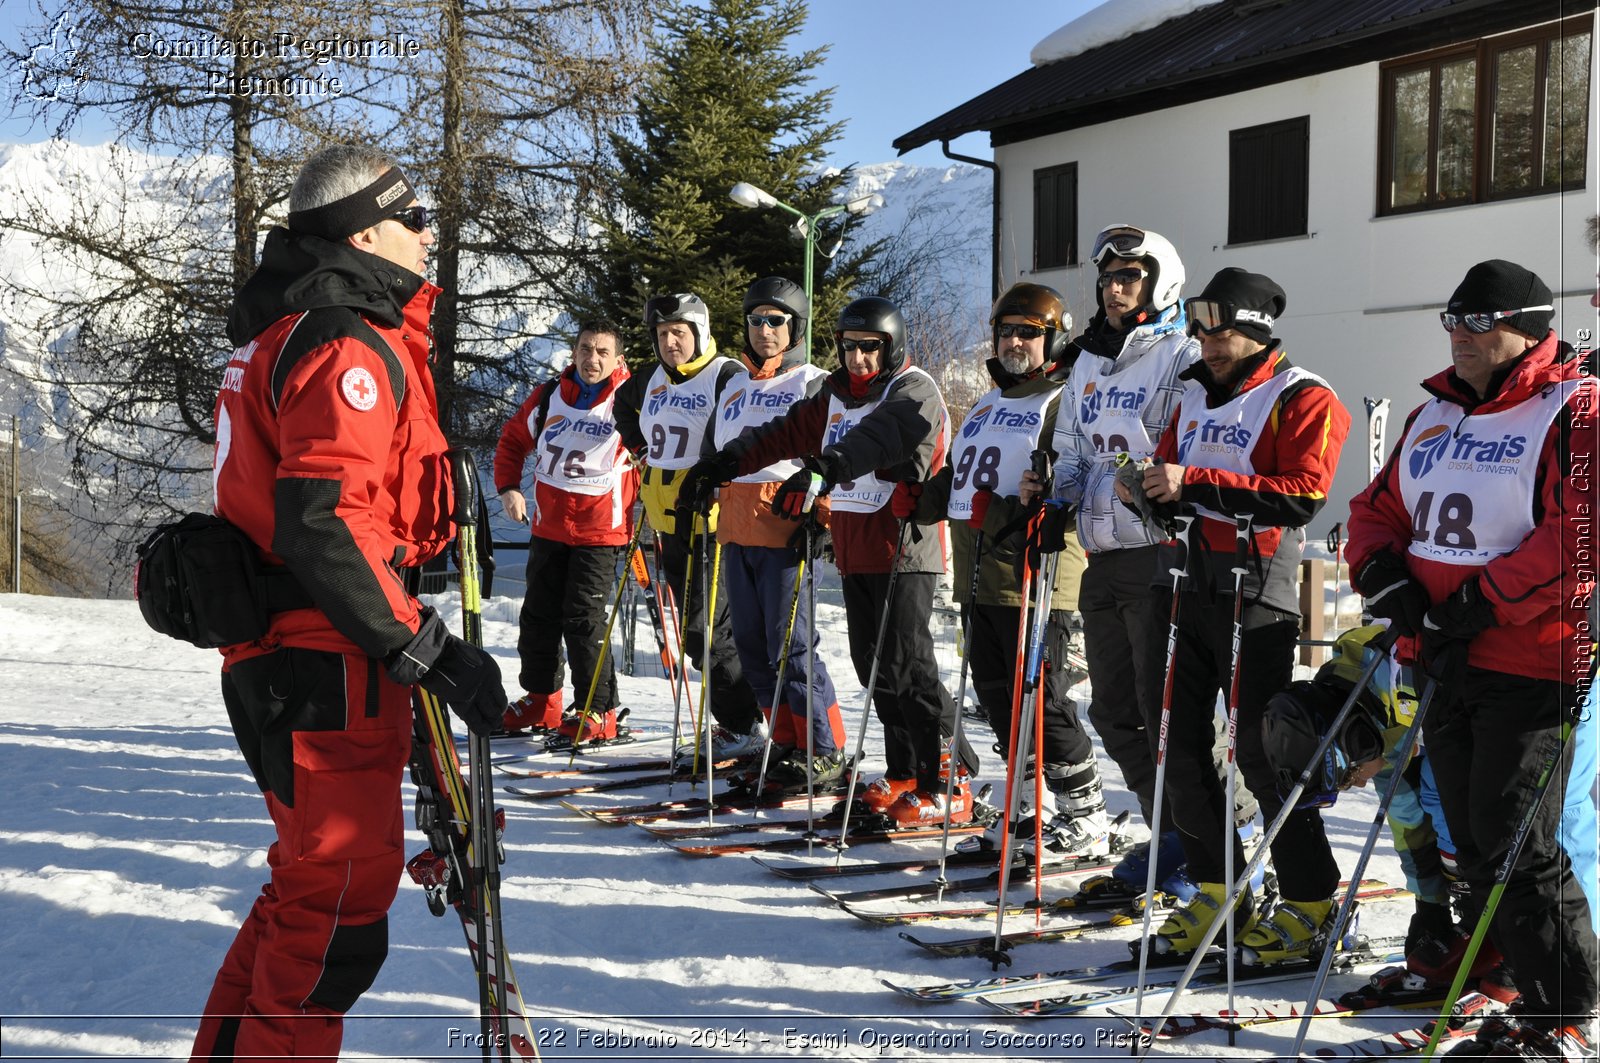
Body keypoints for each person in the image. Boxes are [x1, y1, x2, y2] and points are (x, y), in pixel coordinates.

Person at [194, 145, 506, 1061]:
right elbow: (325, 522)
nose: (427, 239)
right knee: (333, 922)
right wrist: (429, 650)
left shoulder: (301, 327)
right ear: (365, 232)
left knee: (304, 899)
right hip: (323, 661)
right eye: (415, 222)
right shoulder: (341, 341)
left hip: (303, 657)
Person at [1347, 259, 1596, 1058]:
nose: (1460, 334)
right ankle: (1523, 995)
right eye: (1452, 320)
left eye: (1479, 321)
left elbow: (1578, 534)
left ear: (1528, 325)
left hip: (1532, 657)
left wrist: (1481, 599)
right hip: (1442, 654)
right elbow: (1374, 508)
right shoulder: (1430, 416)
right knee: (1475, 846)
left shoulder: (1574, 406)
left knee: (1517, 841)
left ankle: (1566, 1015)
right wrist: (1383, 572)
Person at [1121, 267, 1352, 959]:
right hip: (1187, 577)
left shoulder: (1301, 394)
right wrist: (1152, 491)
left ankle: (1312, 900)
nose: (1205, 342)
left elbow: (1303, 493)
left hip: (1259, 582)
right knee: (1178, 744)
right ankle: (1220, 888)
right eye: (1200, 328)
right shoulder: (1193, 390)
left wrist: (1195, 483)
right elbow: (1167, 471)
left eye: (1218, 330)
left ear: (1253, 328)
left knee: (1260, 745)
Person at [679, 296, 980, 825]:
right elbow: (782, 433)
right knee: (874, 666)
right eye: (849, 348)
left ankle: (946, 776)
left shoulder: (913, 389)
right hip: (855, 544)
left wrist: (825, 467)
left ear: (891, 347)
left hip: (904, 546)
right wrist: (723, 462)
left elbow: (880, 440)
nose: (859, 359)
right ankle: (907, 772)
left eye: (870, 348)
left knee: (908, 665)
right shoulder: (835, 394)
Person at [1019, 224, 1253, 900]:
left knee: (1171, 716)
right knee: (1117, 712)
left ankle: (1225, 842)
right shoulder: (1090, 360)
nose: (1116, 289)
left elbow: (1195, 445)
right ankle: (1177, 837)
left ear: (1161, 284)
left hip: (1160, 555)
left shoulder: (1182, 356)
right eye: (1109, 277)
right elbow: (1073, 449)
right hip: (1101, 556)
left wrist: (1157, 483)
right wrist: (1053, 497)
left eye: (1131, 277)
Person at [911, 281, 1108, 854]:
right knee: (999, 700)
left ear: (1054, 340)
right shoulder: (987, 401)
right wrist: (924, 496)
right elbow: (966, 476)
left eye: (1030, 333)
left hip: (1039, 580)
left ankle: (1086, 812)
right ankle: (1028, 807)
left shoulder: (1062, 402)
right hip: (981, 577)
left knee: (1043, 703)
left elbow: (1066, 491)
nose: (1015, 342)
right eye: (1006, 332)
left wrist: (1011, 507)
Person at [612, 292, 766, 758]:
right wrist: (639, 449)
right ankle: (738, 722)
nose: (670, 342)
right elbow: (622, 406)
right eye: (661, 334)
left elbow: (745, 434)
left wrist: (716, 474)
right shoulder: (653, 378)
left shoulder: (725, 374)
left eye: (678, 333)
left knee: (707, 633)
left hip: (710, 521)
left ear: (698, 333)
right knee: (695, 631)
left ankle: (743, 727)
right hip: (666, 521)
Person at [710, 278, 847, 785]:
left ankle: (823, 746)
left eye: (776, 320)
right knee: (750, 644)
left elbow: (830, 453)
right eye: (756, 320)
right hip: (737, 525)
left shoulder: (812, 381)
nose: (764, 330)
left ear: (795, 328)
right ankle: (785, 740)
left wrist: (824, 515)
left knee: (790, 645)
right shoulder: (734, 383)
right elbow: (721, 451)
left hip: (786, 525)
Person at [493, 320, 639, 740]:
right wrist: (508, 489)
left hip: (600, 530)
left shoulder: (629, 399)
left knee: (583, 620)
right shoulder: (549, 396)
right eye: (585, 349)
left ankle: (598, 709)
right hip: (550, 526)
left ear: (617, 360)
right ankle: (543, 700)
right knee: (537, 616)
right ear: (574, 352)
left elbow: (656, 449)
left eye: (602, 352)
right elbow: (512, 441)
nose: (592, 359)